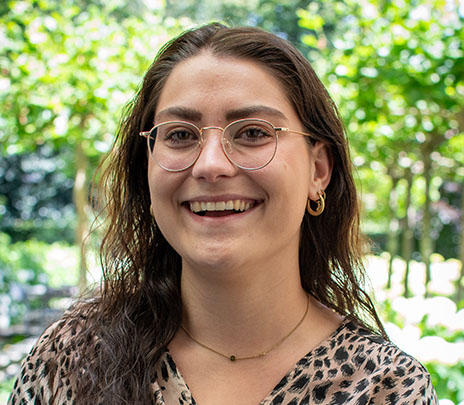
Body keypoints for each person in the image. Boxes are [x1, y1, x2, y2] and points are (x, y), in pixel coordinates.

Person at [8, 23, 437, 405]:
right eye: (180, 135)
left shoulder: (385, 388)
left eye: (252, 132)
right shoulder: (73, 358)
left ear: (318, 170)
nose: (210, 165)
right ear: (147, 168)